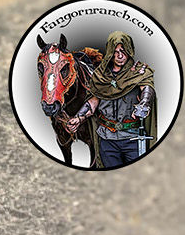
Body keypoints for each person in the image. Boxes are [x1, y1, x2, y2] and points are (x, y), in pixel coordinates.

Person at [65, 31, 157, 167]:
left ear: (129, 51)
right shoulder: (100, 76)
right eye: (116, 51)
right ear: (110, 52)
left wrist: (144, 103)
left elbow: (147, 89)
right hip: (107, 140)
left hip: (132, 138)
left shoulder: (139, 73)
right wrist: (78, 118)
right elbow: (93, 101)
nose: (120, 56)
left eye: (123, 51)